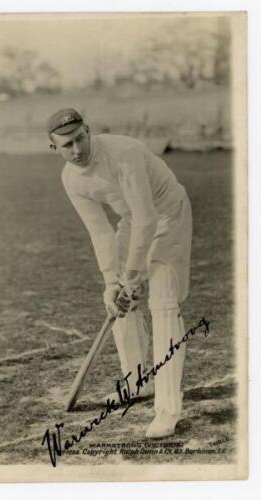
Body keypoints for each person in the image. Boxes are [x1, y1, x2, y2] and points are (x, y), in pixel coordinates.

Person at [47, 108, 192, 438]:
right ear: (54, 147)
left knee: (163, 303)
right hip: (134, 224)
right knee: (116, 301)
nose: (77, 150)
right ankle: (137, 381)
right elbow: (100, 232)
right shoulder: (71, 179)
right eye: (66, 145)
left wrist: (133, 273)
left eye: (81, 138)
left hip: (168, 215)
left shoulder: (122, 153)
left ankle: (168, 410)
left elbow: (148, 218)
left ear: (89, 130)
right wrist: (113, 280)